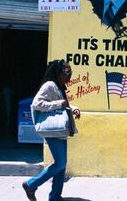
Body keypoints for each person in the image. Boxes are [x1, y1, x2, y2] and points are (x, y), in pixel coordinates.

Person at [22, 59, 81, 201]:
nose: (70, 74)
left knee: (62, 165)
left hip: (60, 130)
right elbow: (37, 103)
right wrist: (58, 103)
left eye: (70, 71)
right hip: (52, 129)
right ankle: (31, 184)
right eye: (67, 71)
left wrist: (73, 108)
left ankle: (55, 196)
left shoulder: (60, 87)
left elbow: (62, 106)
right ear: (59, 72)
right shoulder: (49, 86)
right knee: (60, 163)